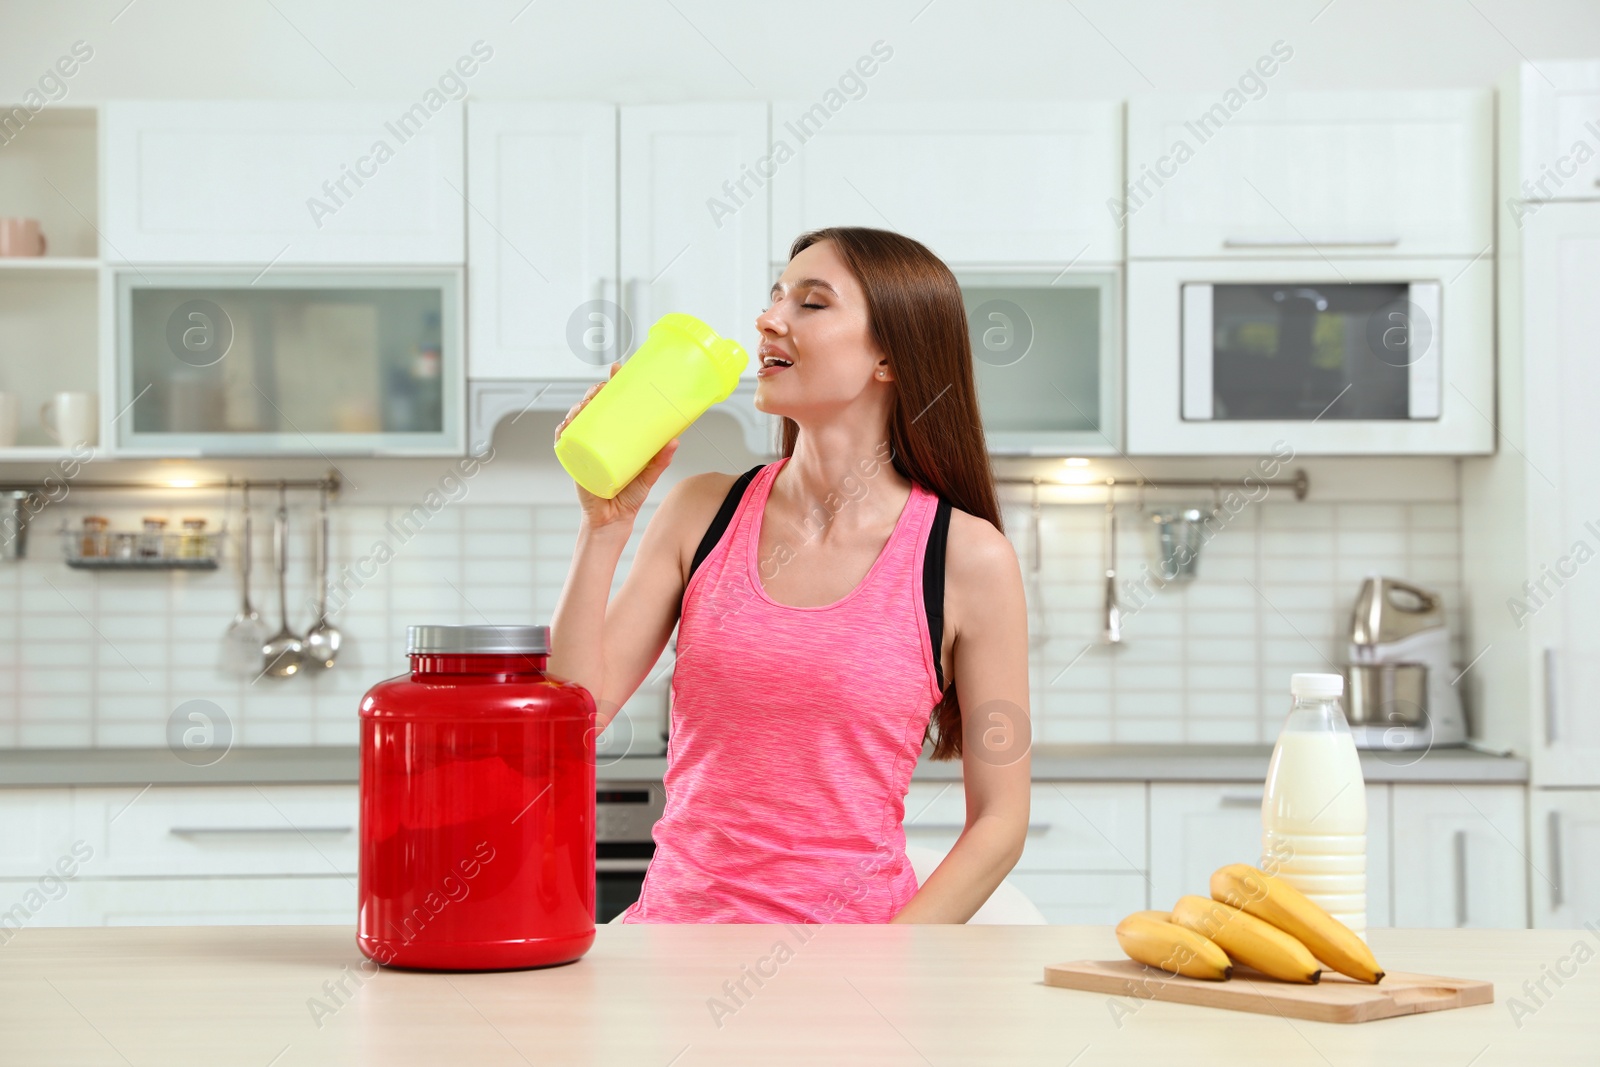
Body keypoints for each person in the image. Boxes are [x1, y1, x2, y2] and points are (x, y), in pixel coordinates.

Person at [549, 226, 1031, 923]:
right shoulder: (702, 510)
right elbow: (572, 721)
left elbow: (1001, 822)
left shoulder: (966, 558)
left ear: (890, 357)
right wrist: (603, 530)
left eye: (811, 303)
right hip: (670, 955)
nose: (768, 318)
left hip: (854, 981)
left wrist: (883, 961)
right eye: (776, 296)